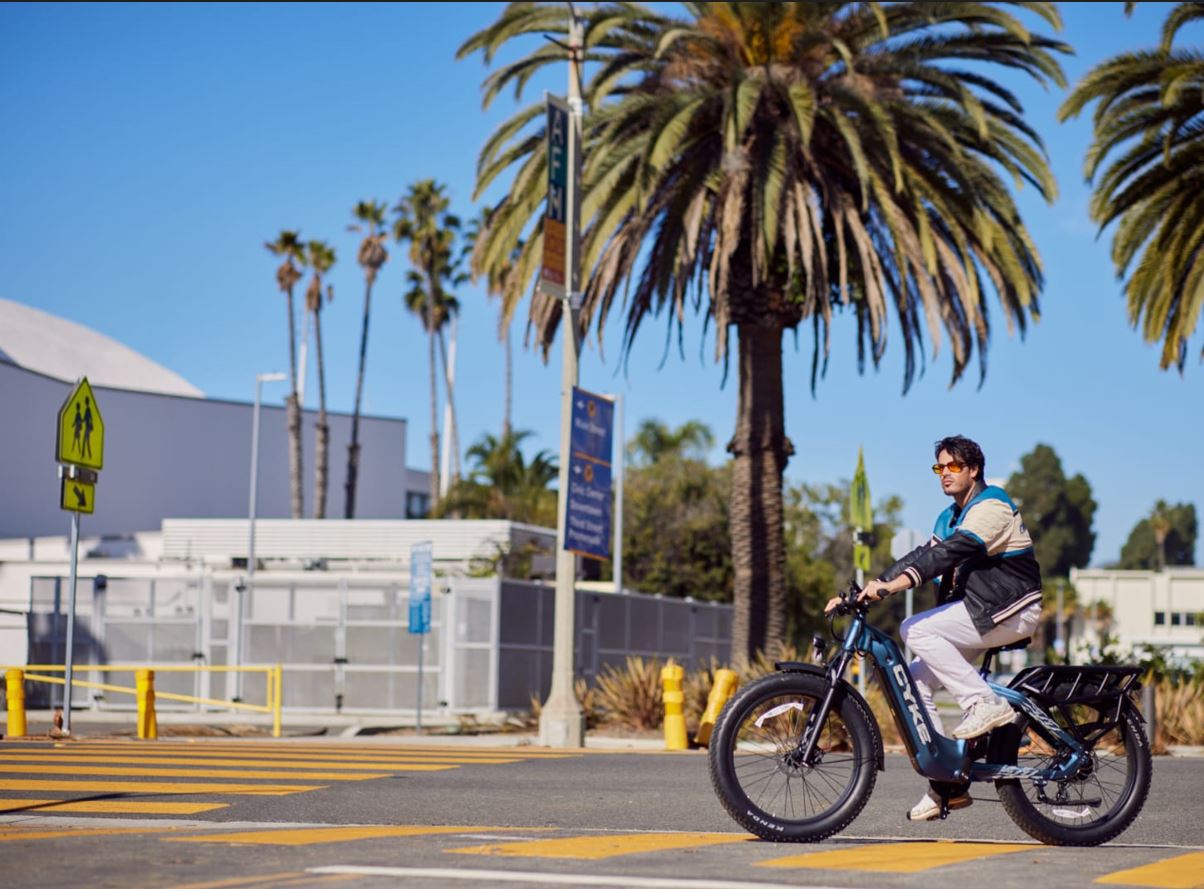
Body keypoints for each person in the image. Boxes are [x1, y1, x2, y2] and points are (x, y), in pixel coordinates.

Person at [825, 435, 1042, 822]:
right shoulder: (950, 515)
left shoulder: (992, 505)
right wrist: (864, 592)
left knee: (916, 630)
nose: (944, 474)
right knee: (914, 681)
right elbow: (924, 554)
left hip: (1010, 609)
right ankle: (948, 785)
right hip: (979, 613)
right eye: (939, 468)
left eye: (953, 467)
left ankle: (984, 704)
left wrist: (897, 585)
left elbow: (952, 553)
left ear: (973, 469)